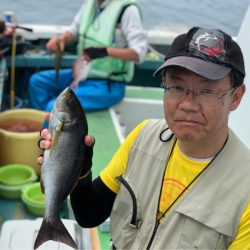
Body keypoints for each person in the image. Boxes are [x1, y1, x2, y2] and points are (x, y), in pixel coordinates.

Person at [38, 26, 250, 249]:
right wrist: (79, 169)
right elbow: (90, 215)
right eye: (177, 87)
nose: (187, 104)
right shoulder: (144, 137)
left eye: (206, 91)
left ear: (236, 97)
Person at [29, 0, 147, 112]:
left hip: (109, 84)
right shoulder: (90, 4)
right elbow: (73, 31)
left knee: (56, 107)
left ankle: (52, 127)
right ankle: (47, 126)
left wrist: (105, 51)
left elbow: (139, 53)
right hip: (82, 74)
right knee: (37, 82)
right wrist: (61, 39)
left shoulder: (128, 10)